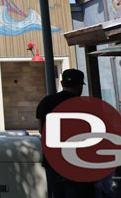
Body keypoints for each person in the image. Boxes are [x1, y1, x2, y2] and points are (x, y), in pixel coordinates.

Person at [36, 68, 93, 197]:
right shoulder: (84, 105)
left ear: (62, 84)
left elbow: (41, 129)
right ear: (80, 86)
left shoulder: (46, 102)